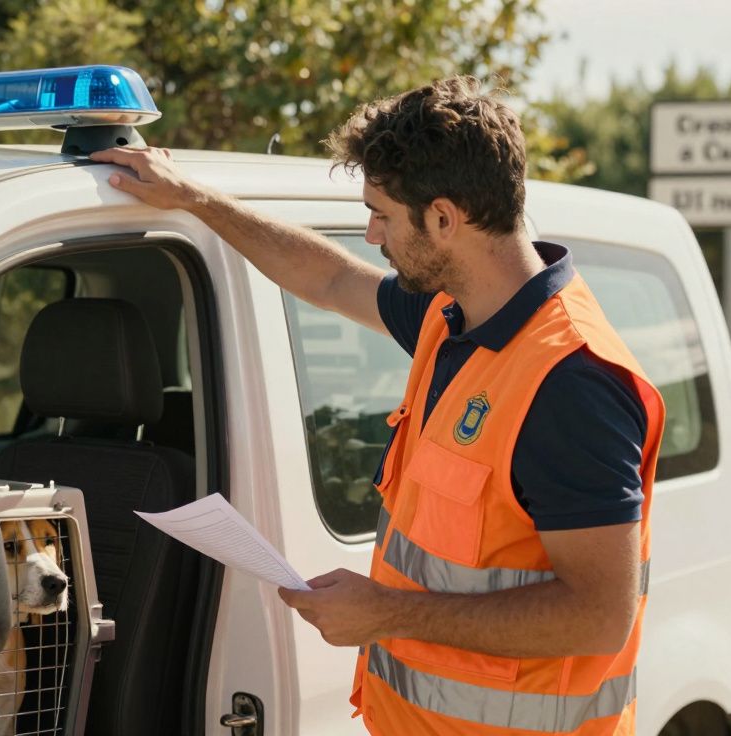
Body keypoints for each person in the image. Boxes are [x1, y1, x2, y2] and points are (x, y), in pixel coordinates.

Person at [90, 76, 664, 735]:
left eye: (382, 214)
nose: (371, 235)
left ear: (445, 219)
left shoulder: (572, 382)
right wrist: (195, 199)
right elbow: (329, 279)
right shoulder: (452, 313)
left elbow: (597, 616)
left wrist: (388, 613)